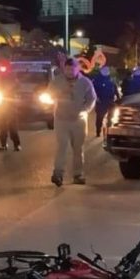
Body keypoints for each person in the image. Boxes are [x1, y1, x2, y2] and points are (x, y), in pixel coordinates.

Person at [47, 57, 96, 186]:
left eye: (72, 68)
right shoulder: (57, 81)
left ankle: (78, 174)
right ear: (64, 69)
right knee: (61, 146)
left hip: (78, 121)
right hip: (61, 119)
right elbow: (48, 94)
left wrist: (85, 110)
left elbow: (92, 99)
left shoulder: (85, 82)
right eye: (67, 69)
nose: (70, 71)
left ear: (77, 68)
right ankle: (58, 174)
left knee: (78, 148)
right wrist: (54, 96)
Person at [0, 68, 21, 152]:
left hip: (11, 107)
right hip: (1, 107)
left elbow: (17, 86)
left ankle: (17, 145)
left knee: (13, 128)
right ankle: (3, 145)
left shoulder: (13, 77)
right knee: (2, 128)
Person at [91, 65, 120, 137]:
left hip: (110, 101)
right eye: (104, 70)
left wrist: (118, 97)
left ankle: (109, 131)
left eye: (107, 70)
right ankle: (98, 131)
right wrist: (96, 97)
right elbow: (92, 90)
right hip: (101, 102)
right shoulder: (96, 80)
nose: (106, 71)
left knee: (111, 117)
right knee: (99, 118)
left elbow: (115, 88)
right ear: (101, 71)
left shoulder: (111, 80)